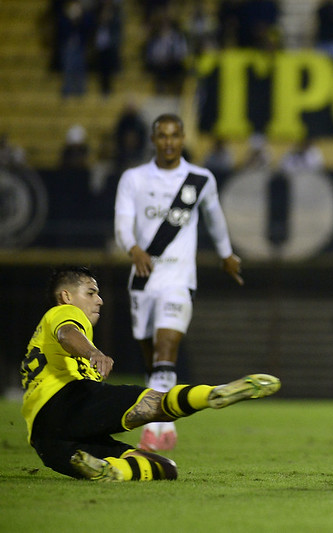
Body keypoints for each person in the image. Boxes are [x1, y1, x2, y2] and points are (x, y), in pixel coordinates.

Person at [20, 265, 280, 481]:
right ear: (66, 296)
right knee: (159, 405)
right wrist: (93, 353)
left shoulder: (44, 338)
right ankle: (212, 394)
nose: (99, 300)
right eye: (90, 292)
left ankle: (114, 470)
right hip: (69, 401)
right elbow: (67, 333)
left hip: (47, 441)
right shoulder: (63, 312)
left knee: (166, 468)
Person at [114, 113, 244, 452]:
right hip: (143, 279)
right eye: (163, 136)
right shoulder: (134, 178)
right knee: (150, 358)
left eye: (175, 135)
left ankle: (155, 428)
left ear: (183, 137)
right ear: (154, 139)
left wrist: (227, 254)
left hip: (179, 279)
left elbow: (215, 219)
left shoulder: (199, 179)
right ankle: (165, 419)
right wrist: (133, 248)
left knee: (166, 349)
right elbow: (122, 222)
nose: (169, 141)